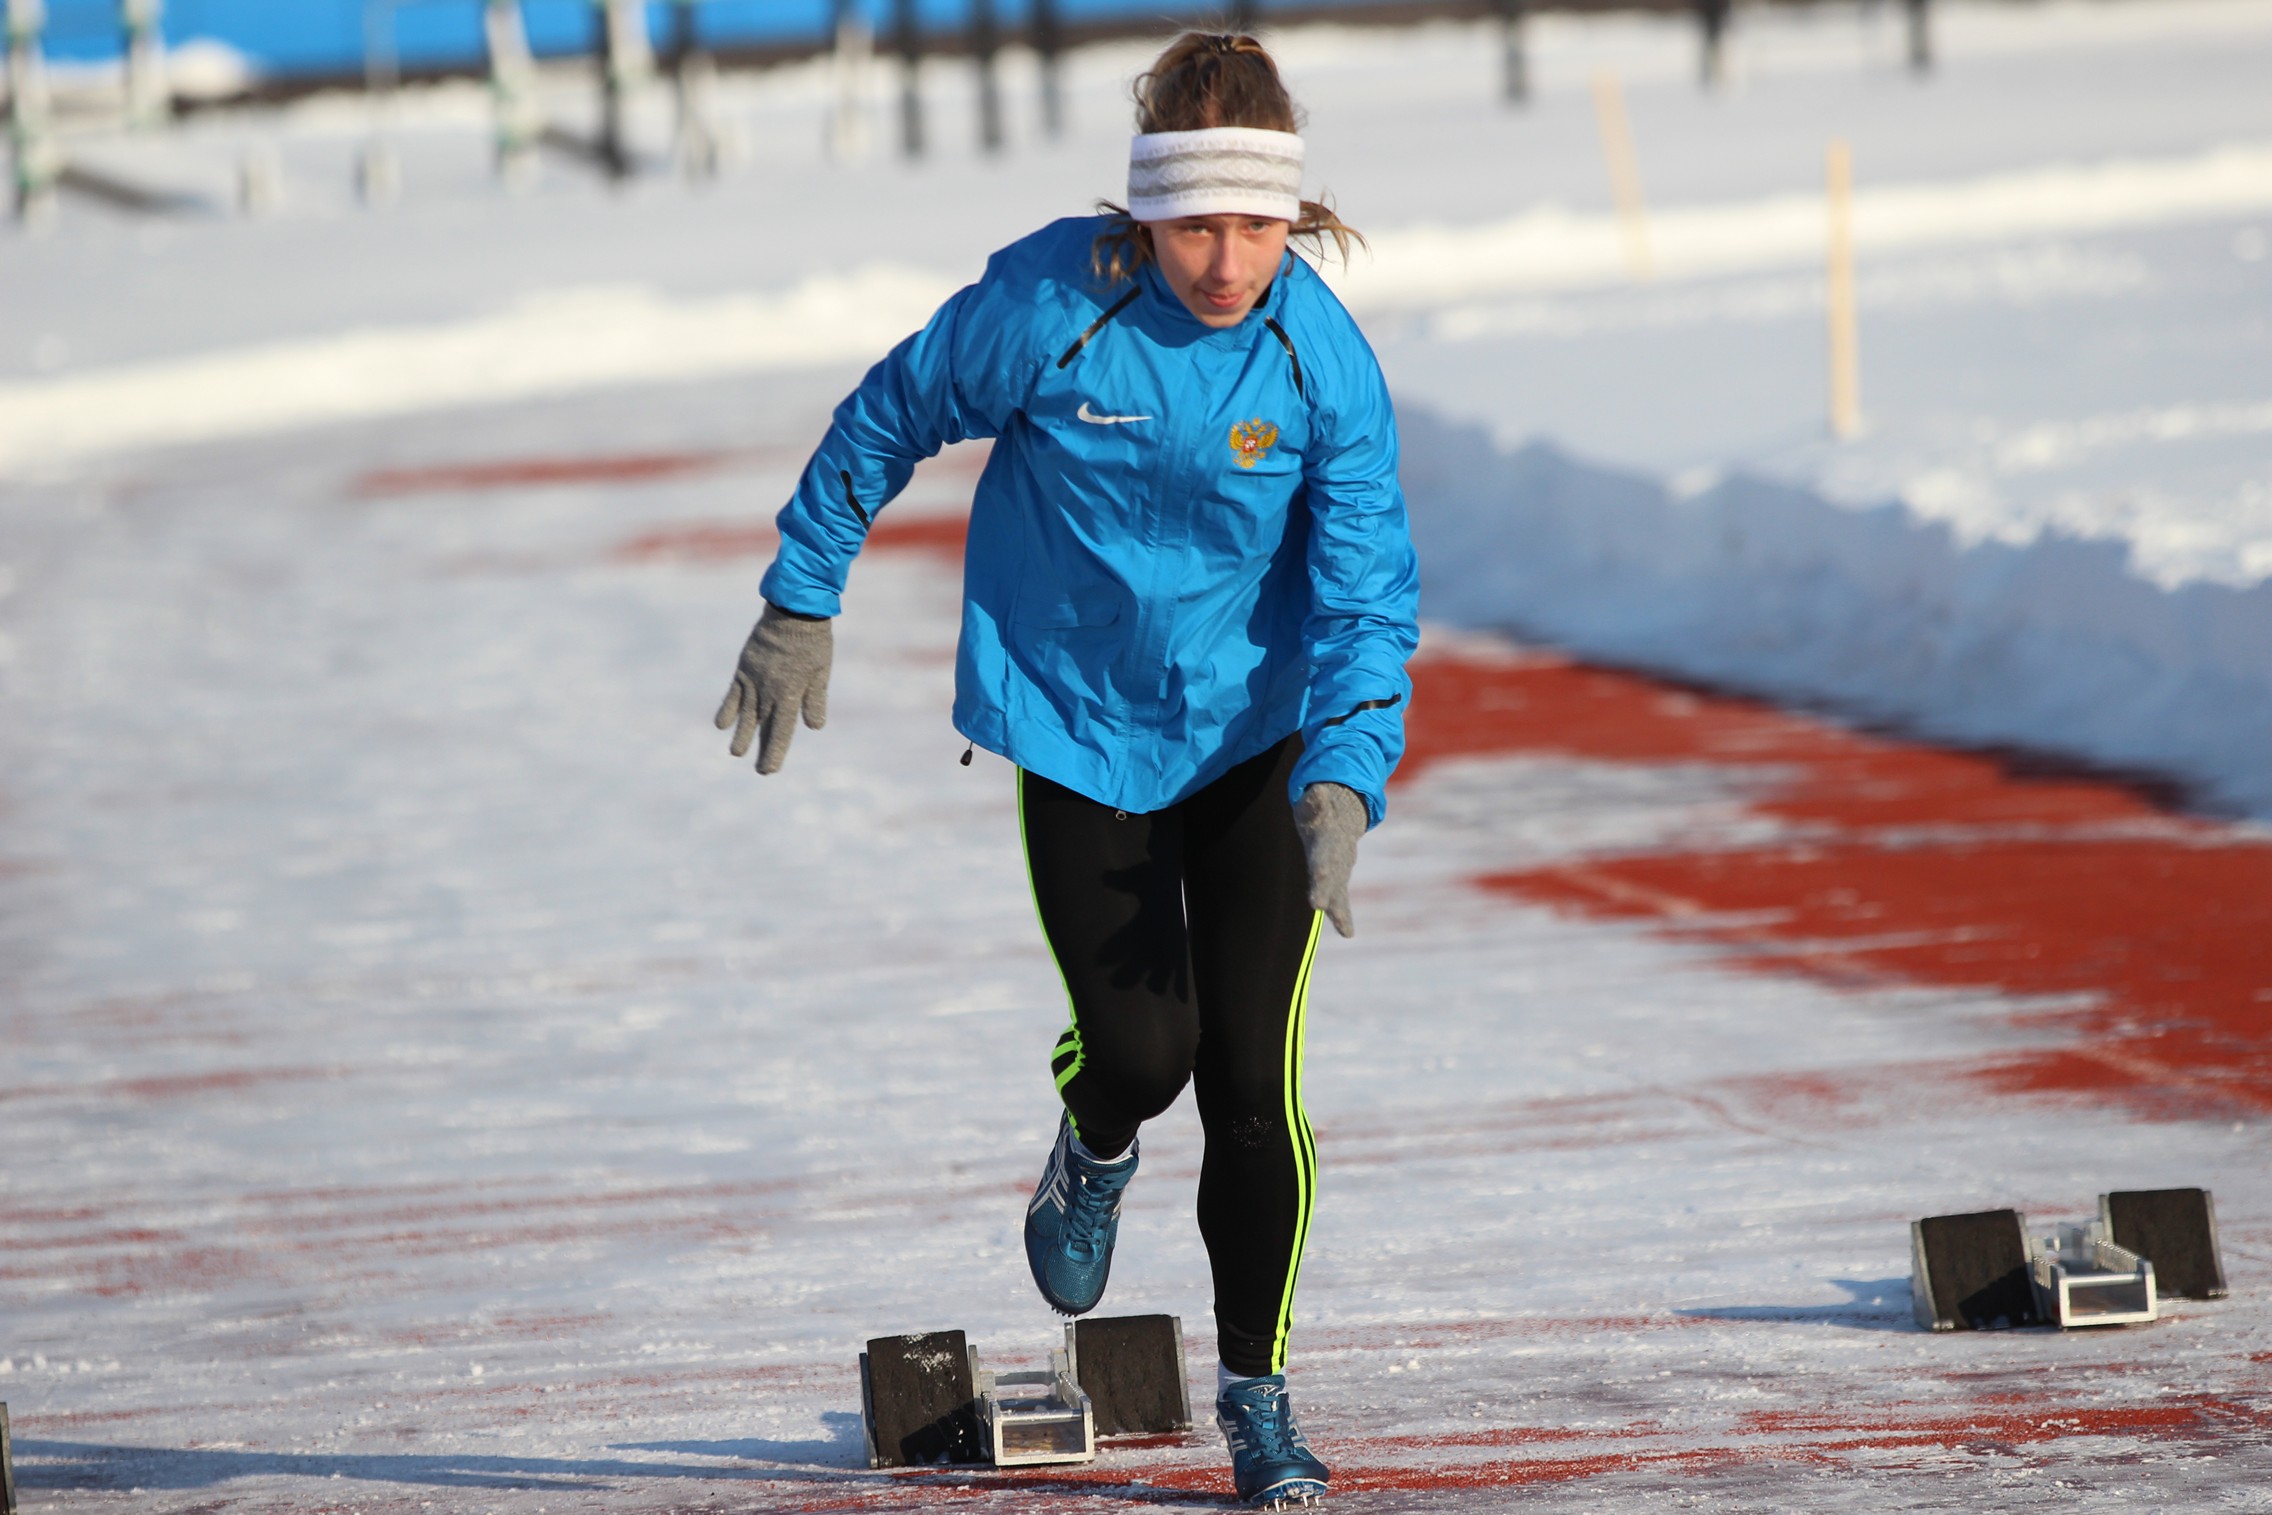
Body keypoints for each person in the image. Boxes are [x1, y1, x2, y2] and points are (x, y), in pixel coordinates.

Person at [715, 31, 1418, 1508]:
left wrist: (1345, 775)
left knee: (1252, 1079)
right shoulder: (1051, 304)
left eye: (1257, 225)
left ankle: (1260, 1399)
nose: (1228, 261)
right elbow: (888, 414)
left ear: (1295, 212)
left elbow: (1366, 598)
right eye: (1195, 226)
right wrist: (801, 597)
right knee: (1145, 1057)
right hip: (1077, 724)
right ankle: (1093, 1137)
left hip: (1254, 741)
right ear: (1142, 211)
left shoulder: (1321, 361)